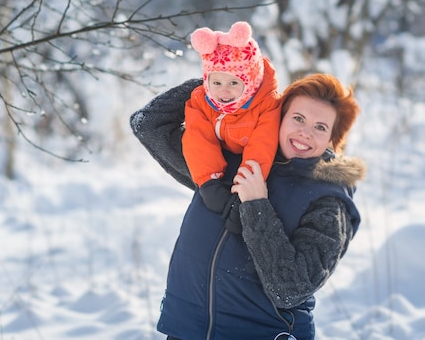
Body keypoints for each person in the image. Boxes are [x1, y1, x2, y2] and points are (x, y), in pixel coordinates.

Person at [129, 73, 366, 340]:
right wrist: (226, 77)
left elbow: (290, 289)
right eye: (298, 118)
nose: (305, 132)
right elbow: (148, 124)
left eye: (320, 127)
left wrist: (256, 207)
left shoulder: (330, 201)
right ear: (278, 117)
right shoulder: (228, 160)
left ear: (334, 139)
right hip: (188, 330)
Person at [183, 21, 280, 192]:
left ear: (251, 81)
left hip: (254, 170)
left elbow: (262, 146)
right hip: (218, 163)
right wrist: (209, 181)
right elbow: (198, 138)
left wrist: (245, 185)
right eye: (217, 82)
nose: (224, 91)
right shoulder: (201, 101)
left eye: (234, 82)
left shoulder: (268, 104)